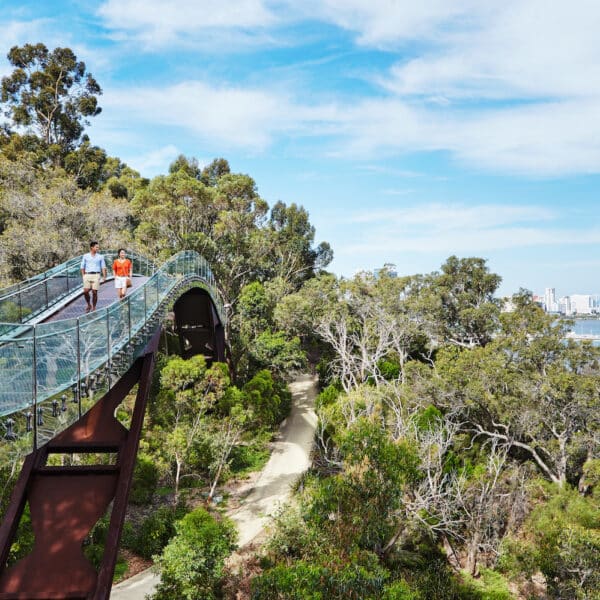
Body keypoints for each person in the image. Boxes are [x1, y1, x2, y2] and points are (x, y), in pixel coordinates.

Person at [81, 241, 107, 312]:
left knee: (94, 291)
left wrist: (104, 277)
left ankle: (94, 307)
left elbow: (103, 267)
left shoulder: (100, 257)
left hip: (96, 275)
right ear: (92, 247)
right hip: (87, 274)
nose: (98, 248)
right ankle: (89, 304)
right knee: (85, 291)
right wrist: (83, 276)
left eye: (98, 247)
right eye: (96, 247)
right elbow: (82, 267)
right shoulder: (85, 256)